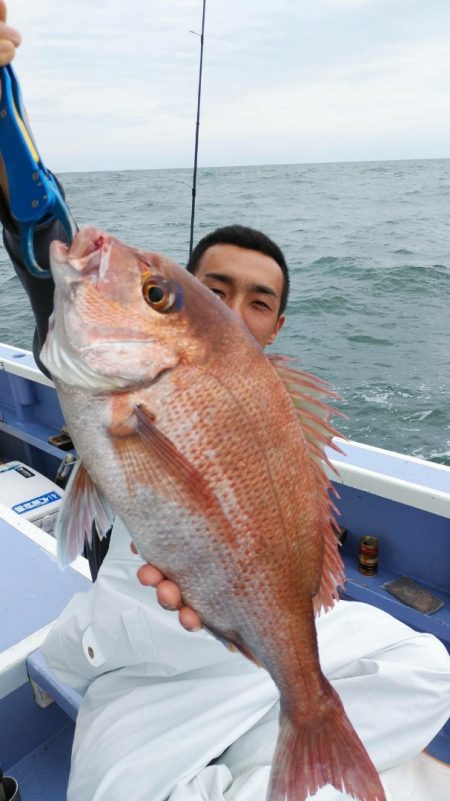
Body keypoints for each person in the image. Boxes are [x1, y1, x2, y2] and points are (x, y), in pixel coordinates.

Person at [1, 8, 450, 801]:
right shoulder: (99, 357)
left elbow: (300, 549)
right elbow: (37, 214)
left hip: (262, 645)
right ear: (192, 303)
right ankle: (271, 765)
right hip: (145, 664)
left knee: (429, 664)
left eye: (262, 300)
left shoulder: (273, 424)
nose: (238, 309)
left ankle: (278, 745)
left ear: (277, 325)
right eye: (207, 290)